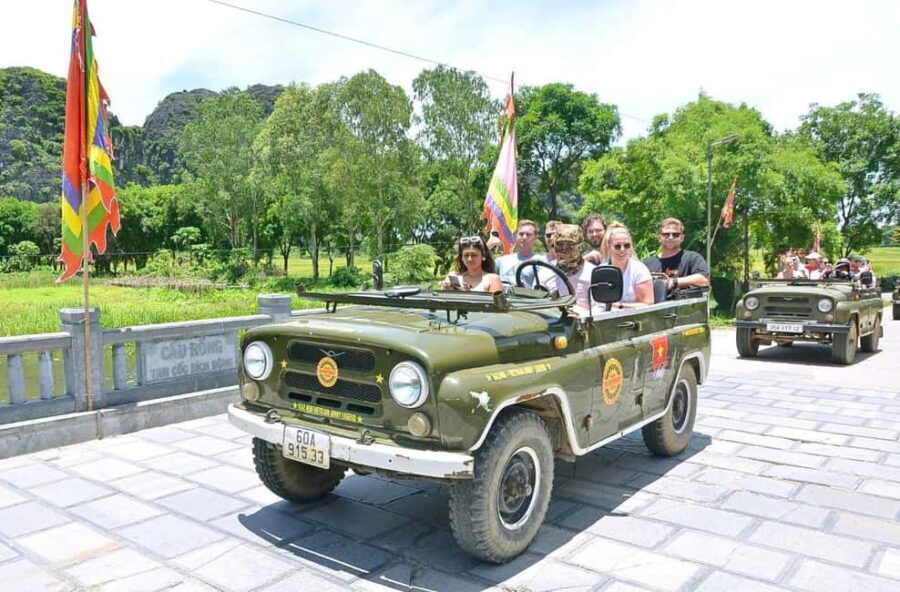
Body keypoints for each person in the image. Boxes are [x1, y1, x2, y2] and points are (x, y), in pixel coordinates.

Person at [537, 224, 605, 317]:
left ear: (580, 247)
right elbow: (535, 302)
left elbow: (600, 307)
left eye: (570, 245)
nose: (564, 250)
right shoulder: (545, 271)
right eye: (560, 245)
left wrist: (581, 316)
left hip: (582, 325)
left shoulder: (593, 273)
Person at [643, 218, 710, 293]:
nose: (671, 237)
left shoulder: (692, 258)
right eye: (666, 234)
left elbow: (704, 280)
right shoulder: (646, 264)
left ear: (682, 238)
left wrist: (673, 282)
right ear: (659, 238)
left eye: (675, 235)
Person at [603, 223, 654, 308]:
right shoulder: (601, 271)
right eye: (617, 246)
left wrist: (620, 306)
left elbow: (648, 304)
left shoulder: (639, 270)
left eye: (626, 245)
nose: (622, 250)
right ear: (608, 247)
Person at [495, 220, 546, 287]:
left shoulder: (541, 262)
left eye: (528, 234)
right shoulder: (501, 261)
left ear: (535, 237)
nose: (524, 237)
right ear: (516, 236)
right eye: (521, 234)